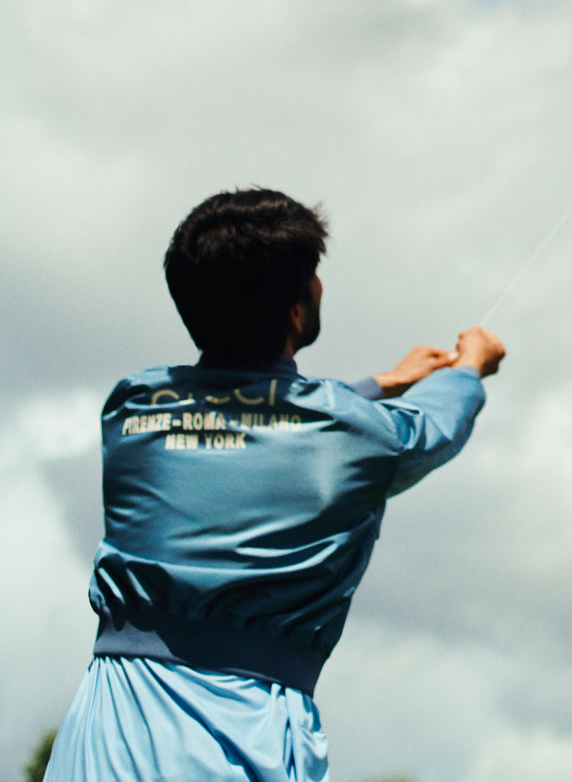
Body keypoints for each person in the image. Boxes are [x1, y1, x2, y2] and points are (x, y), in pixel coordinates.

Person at [46, 187, 505, 782]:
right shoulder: (359, 435)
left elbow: (249, 420)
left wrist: (380, 383)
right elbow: (433, 429)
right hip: (241, 733)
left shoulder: (130, 407)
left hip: (104, 732)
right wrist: (469, 368)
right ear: (296, 310)